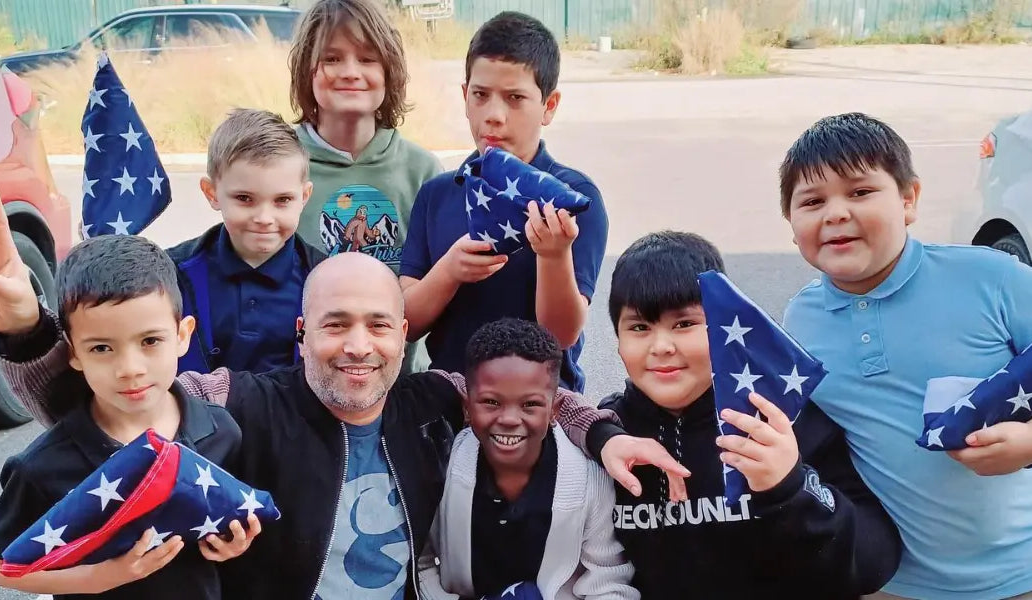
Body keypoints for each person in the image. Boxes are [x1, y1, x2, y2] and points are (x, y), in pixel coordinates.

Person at [0, 181, 688, 600]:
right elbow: (112, 408)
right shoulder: (233, 402)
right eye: (335, 324)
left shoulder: (434, 401)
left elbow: (529, 397)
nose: (358, 346)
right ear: (302, 333)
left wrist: (604, 431)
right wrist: (26, 331)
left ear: (405, 334)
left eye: (379, 325)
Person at [780, 112, 1032, 600]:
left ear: (909, 199)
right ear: (792, 227)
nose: (835, 213)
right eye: (812, 201)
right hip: (887, 581)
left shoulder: (992, 278)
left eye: (859, 192)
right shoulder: (801, 320)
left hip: (1021, 574)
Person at [599, 230, 901, 599]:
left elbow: (875, 560)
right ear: (617, 342)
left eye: (684, 324)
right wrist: (599, 437)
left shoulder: (777, 419)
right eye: (640, 328)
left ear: (724, 325)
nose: (662, 347)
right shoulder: (610, 433)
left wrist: (790, 487)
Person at [0, 211, 259, 599]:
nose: (130, 369)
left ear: (182, 335)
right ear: (74, 353)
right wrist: (100, 578)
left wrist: (234, 545)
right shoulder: (42, 466)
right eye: (102, 348)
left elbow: (230, 525)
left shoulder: (221, 431)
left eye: (150, 341)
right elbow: (0, 568)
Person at [399, 11, 608, 393]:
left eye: (515, 98)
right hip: (448, 404)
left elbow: (560, 335)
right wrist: (449, 271)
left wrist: (553, 255)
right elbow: (405, 323)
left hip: (541, 409)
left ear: (549, 105)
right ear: (465, 97)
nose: (494, 116)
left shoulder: (574, 199)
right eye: (480, 95)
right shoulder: (437, 194)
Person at [424, 318, 637, 600]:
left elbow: (609, 583)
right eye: (491, 402)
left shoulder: (590, 482)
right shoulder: (444, 468)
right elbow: (422, 564)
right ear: (466, 406)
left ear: (555, 411)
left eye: (530, 405)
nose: (510, 419)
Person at [288, 0, 442, 373]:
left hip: (400, 381)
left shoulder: (423, 171)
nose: (350, 72)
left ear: (390, 72)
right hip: (303, 382)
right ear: (306, 71)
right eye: (332, 58)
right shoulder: (280, 163)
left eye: (368, 59)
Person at [166, 108, 325, 374]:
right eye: (244, 199)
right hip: (197, 414)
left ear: (304, 197)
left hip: (291, 415)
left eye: (282, 200)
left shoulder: (325, 281)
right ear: (212, 192)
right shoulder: (171, 275)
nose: (264, 217)